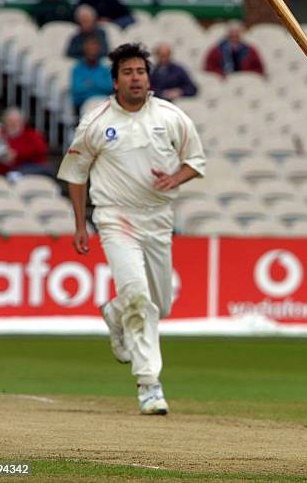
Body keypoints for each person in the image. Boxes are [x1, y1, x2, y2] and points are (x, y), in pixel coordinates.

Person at [57, 43, 205, 415]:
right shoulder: (97, 120)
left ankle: (114, 310)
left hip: (157, 220)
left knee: (160, 304)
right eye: (128, 72)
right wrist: (80, 224)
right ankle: (149, 384)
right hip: (114, 217)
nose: (135, 78)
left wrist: (175, 178)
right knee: (139, 298)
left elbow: (195, 161)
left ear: (148, 77)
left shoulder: (171, 116)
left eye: (140, 71)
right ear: (116, 80)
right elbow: (76, 175)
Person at [0, 107, 53, 178]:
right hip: (6, 171)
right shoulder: (0, 135)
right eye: (10, 121)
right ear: (5, 122)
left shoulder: (32, 135)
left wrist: (17, 154)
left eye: (16, 121)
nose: (13, 124)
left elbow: (41, 150)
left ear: (22, 122)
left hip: (30, 167)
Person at [71, 37, 113, 114]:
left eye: (94, 49)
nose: (92, 52)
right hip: (85, 103)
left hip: (105, 101)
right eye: (89, 49)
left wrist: (90, 82)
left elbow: (111, 87)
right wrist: (100, 83)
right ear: (85, 49)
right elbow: (77, 90)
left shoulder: (105, 69)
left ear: (98, 49)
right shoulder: (77, 69)